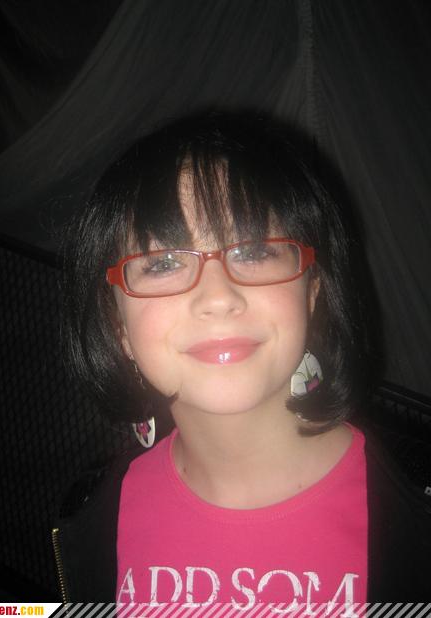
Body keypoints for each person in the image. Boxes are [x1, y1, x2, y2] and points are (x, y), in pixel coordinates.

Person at [57, 111, 431, 610]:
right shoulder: (90, 516)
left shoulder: (417, 514)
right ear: (118, 326)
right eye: (162, 262)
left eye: (254, 251)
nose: (218, 296)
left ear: (312, 292)